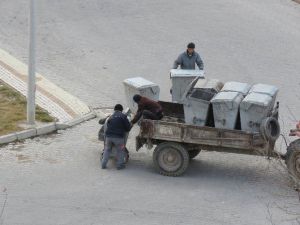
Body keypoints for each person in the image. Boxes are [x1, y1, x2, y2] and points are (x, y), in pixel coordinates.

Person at [101, 104, 131, 170]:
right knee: (120, 150)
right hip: (119, 138)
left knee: (107, 150)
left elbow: (107, 125)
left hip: (108, 137)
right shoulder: (123, 116)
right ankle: (120, 166)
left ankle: (103, 164)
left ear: (114, 109)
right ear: (122, 110)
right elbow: (128, 128)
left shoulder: (111, 116)